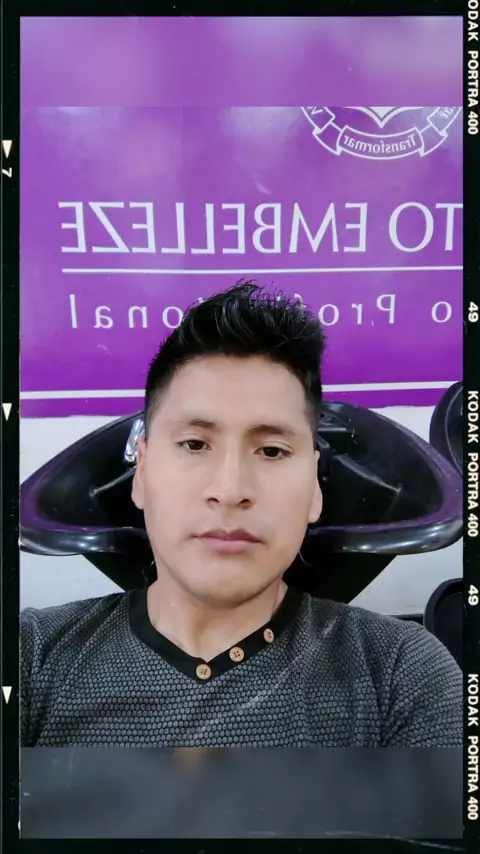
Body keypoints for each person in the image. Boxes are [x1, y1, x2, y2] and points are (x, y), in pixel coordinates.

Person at [21, 282, 462, 748]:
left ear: (314, 486)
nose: (230, 491)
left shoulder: (402, 674)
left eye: (272, 450)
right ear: (142, 471)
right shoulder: (31, 657)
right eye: (195, 444)